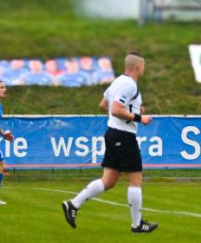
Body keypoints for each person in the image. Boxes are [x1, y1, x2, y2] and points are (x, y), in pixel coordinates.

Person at [61, 53, 158, 233]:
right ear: (138, 66)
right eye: (143, 65)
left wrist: (133, 108)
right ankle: (137, 224)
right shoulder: (130, 85)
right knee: (136, 179)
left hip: (113, 134)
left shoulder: (118, 81)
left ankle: (73, 204)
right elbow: (114, 109)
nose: (144, 68)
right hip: (123, 136)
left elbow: (103, 104)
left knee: (109, 180)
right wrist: (139, 117)